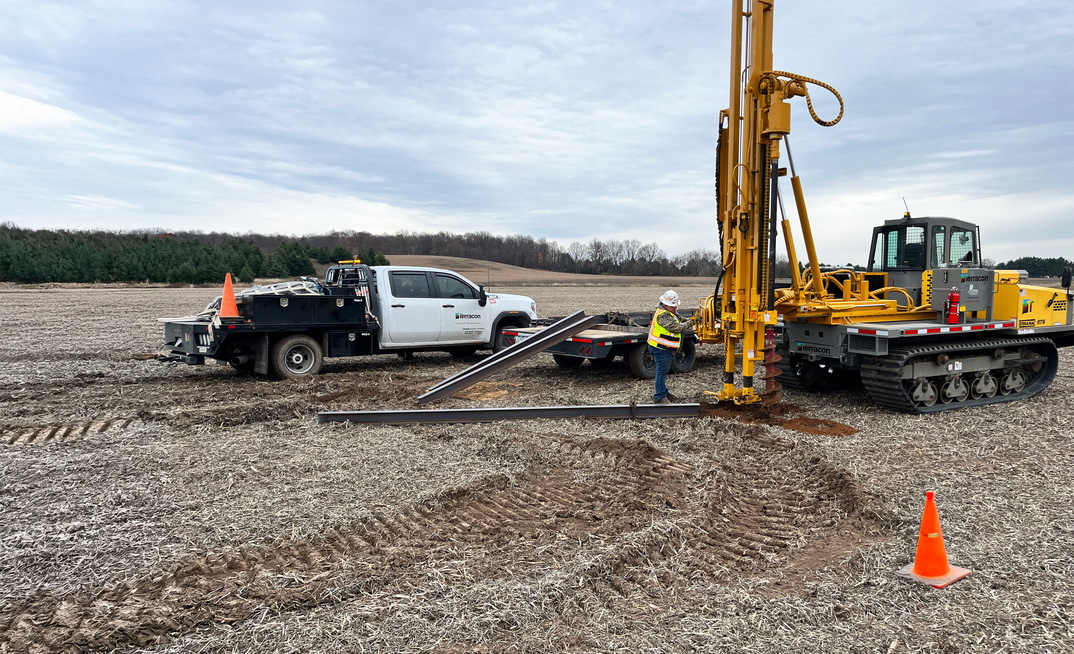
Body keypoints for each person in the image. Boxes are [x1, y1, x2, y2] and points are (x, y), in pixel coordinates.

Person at [647, 289, 694, 404]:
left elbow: (679, 319)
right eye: (673, 306)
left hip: (664, 347)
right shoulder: (663, 315)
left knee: (664, 370)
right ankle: (659, 397)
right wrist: (690, 323)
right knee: (662, 371)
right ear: (665, 305)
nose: (675, 308)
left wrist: (691, 320)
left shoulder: (670, 312)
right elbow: (676, 328)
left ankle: (664, 392)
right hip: (660, 347)